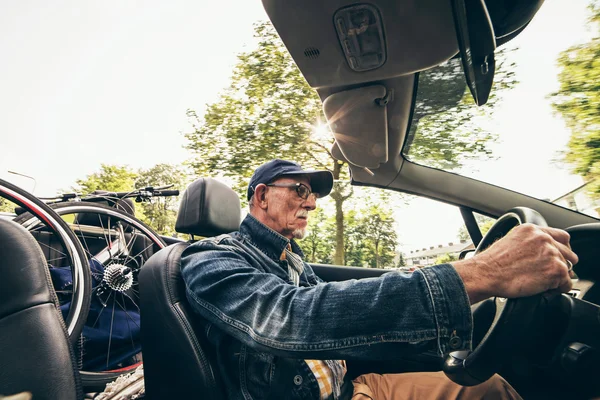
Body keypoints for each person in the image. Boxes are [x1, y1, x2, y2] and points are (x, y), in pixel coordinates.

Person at [180, 159, 577, 400]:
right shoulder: (211, 259)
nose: (312, 202)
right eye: (300, 189)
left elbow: (339, 312)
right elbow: (290, 317)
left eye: (313, 195)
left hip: (354, 387)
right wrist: (483, 272)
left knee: (490, 391)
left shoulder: (291, 260)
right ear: (262, 196)